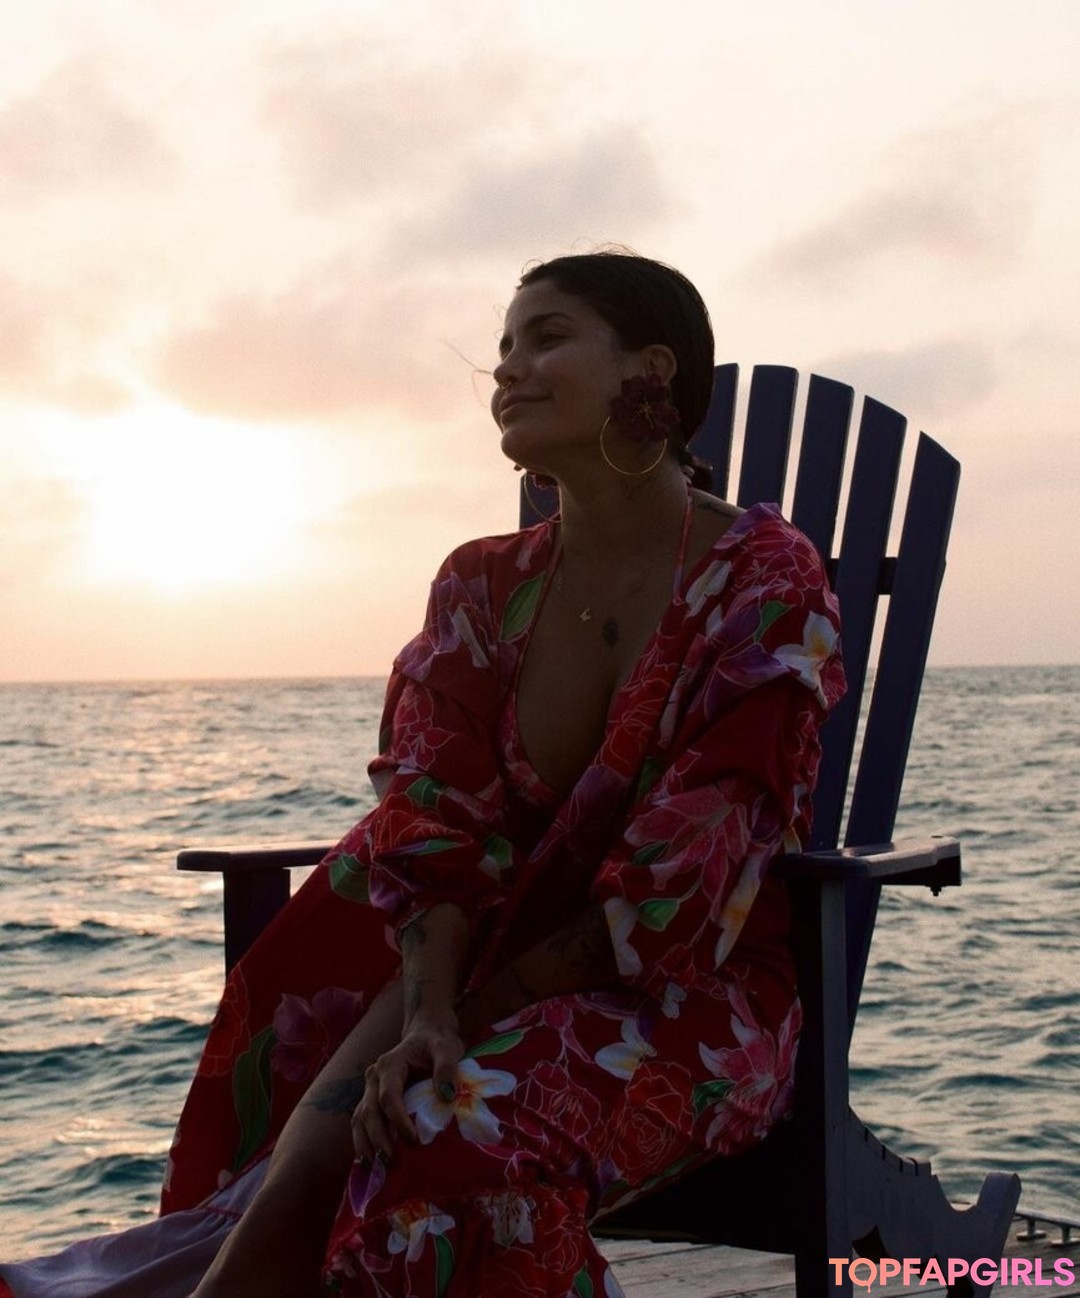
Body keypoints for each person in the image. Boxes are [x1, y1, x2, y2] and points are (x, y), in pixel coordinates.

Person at [0, 251, 845, 1298]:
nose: (507, 369)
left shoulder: (762, 579)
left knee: (441, 1126)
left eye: (546, 338)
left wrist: (460, 1020)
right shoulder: (481, 585)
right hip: (470, 964)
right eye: (502, 347)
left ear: (651, 370)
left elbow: (680, 884)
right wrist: (431, 1017)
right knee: (334, 1105)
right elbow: (432, 823)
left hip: (687, 996)